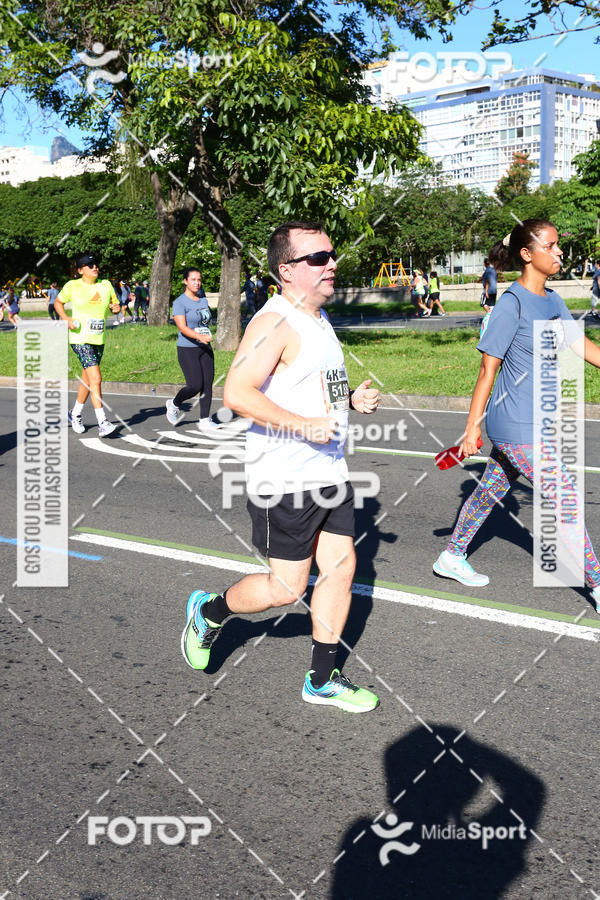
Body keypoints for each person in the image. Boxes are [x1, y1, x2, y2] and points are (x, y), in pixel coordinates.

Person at [181, 221, 382, 712]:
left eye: (331, 255)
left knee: (340, 570)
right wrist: (301, 425)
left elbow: (316, 386)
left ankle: (322, 678)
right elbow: (236, 392)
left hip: (329, 475)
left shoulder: (317, 319)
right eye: (318, 258)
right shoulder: (273, 322)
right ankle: (210, 612)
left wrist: (350, 401)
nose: (331, 264)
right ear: (286, 270)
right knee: (286, 588)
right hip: (284, 480)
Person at [432, 219, 600, 611]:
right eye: (552, 246)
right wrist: (471, 428)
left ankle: (452, 556)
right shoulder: (512, 303)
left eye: (560, 245)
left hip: (534, 422)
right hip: (515, 425)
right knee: (567, 501)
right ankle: (596, 582)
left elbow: (582, 346)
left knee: (491, 490)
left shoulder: (553, 300)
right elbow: (486, 370)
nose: (560, 252)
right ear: (528, 254)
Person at [54, 253, 121, 436]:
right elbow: (58, 302)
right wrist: (66, 319)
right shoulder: (72, 286)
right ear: (80, 270)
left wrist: (116, 308)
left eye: (96, 264)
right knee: (96, 378)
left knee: (88, 379)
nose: (94, 267)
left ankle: (74, 414)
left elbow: (115, 305)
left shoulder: (105, 285)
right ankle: (103, 422)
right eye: (89, 265)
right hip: (79, 338)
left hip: (98, 339)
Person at [165, 267, 217, 431]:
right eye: (193, 279)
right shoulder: (180, 302)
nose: (197, 282)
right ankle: (174, 404)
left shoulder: (202, 299)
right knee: (195, 385)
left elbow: (204, 322)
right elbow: (182, 327)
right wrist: (199, 337)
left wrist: (205, 336)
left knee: (207, 384)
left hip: (205, 348)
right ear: (185, 281)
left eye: (199, 279)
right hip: (188, 348)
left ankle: (204, 419)